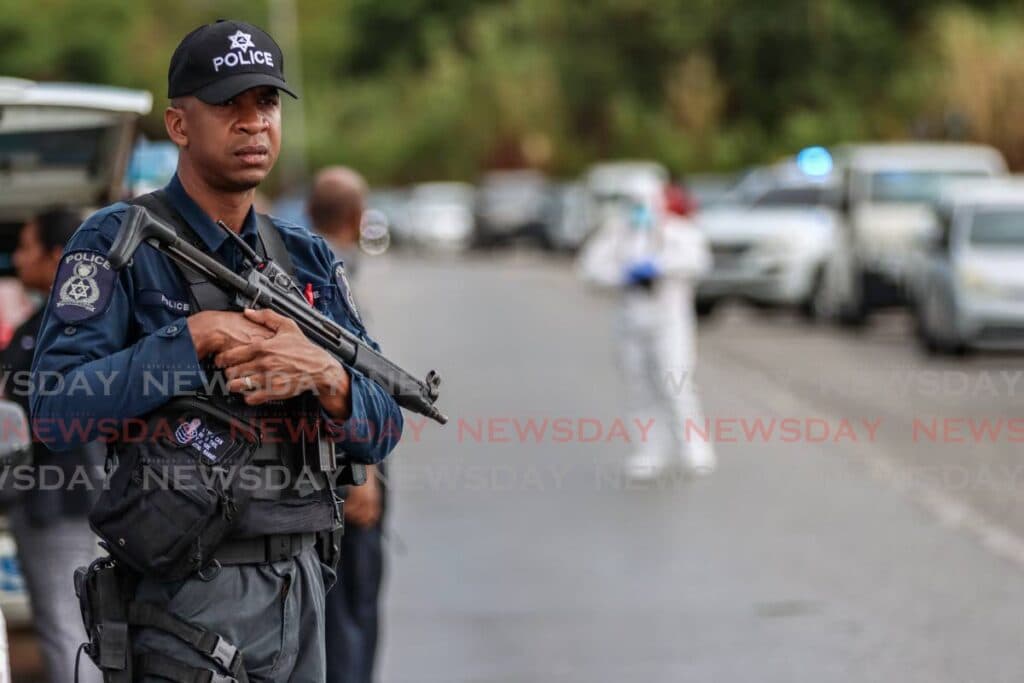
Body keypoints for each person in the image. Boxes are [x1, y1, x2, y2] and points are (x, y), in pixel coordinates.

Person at [30, 19, 402, 682]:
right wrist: (193, 337)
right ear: (179, 125)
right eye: (229, 105)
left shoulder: (306, 258)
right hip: (186, 600)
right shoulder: (121, 242)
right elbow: (57, 409)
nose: (254, 123)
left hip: (304, 582)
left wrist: (327, 376)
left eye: (265, 104)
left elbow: (384, 423)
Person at [1, 208, 104, 683]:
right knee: (89, 631)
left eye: (25, 246)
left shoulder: (52, 332)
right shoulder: (90, 322)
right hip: (92, 499)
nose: (17, 258)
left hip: (57, 504)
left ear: (58, 256)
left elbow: (23, 417)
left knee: (67, 631)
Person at [578, 177, 715, 480]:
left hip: (669, 323)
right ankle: (649, 451)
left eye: (643, 201)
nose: (638, 208)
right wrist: (622, 275)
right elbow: (590, 269)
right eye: (632, 202)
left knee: (676, 384)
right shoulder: (616, 235)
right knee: (639, 389)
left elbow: (698, 262)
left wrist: (660, 268)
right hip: (630, 323)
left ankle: (694, 446)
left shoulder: (678, 232)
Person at [309, 167, 386, 683]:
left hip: (319, 465)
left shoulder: (295, 256)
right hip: (343, 465)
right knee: (349, 610)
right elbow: (334, 374)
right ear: (358, 218)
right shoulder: (329, 271)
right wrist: (362, 469)